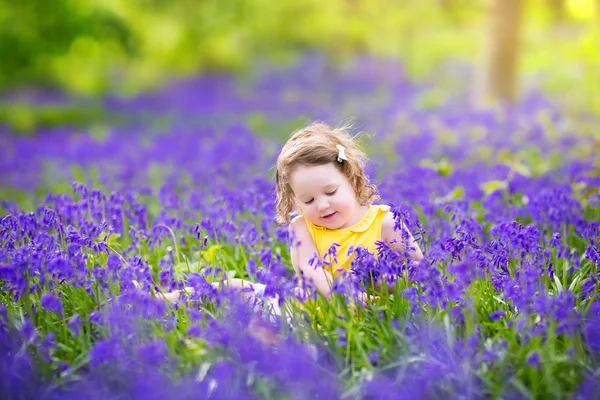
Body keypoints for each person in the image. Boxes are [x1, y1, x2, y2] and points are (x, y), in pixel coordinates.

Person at [147, 122, 424, 333]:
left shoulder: (385, 221)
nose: (323, 205)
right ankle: (160, 301)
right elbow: (312, 272)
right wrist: (345, 294)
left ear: (352, 179)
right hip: (302, 312)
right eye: (309, 199)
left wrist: (386, 283)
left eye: (330, 191)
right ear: (294, 202)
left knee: (263, 333)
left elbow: (418, 270)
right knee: (235, 287)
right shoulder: (301, 227)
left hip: (368, 316)